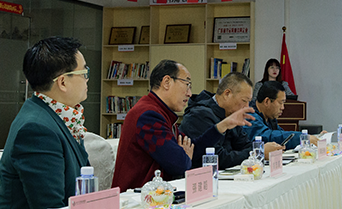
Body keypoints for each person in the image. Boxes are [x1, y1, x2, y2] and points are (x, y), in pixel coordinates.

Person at [112, 60, 253, 189]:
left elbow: (193, 148)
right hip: (138, 198)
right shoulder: (148, 115)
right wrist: (184, 155)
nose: (190, 93)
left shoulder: (162, 113)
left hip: (158, 194)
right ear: (167, 82)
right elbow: (179, 165)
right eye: (187, 85)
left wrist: (222, 126)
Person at [0, 37, 91, 209]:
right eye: (84, 72)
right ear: (63, 82)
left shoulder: (57, 116)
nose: (87, 79)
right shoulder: (36, 130)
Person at [182, 71, 281, 169]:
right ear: (227, 94)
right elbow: (218, 158)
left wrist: (254, 151)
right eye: (244, 101)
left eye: (249, 102)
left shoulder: (231, 114)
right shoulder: (199, 115)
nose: (247, 107)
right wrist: (257, 152)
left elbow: (244, 145)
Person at [247, 81, 321, 149]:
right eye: (280, 103)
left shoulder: (269, 117)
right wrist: (302, 137)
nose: (283, 107)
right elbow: (269, 137)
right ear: (267, 101)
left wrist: (316, 137)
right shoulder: (249, 116)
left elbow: (282, 136)